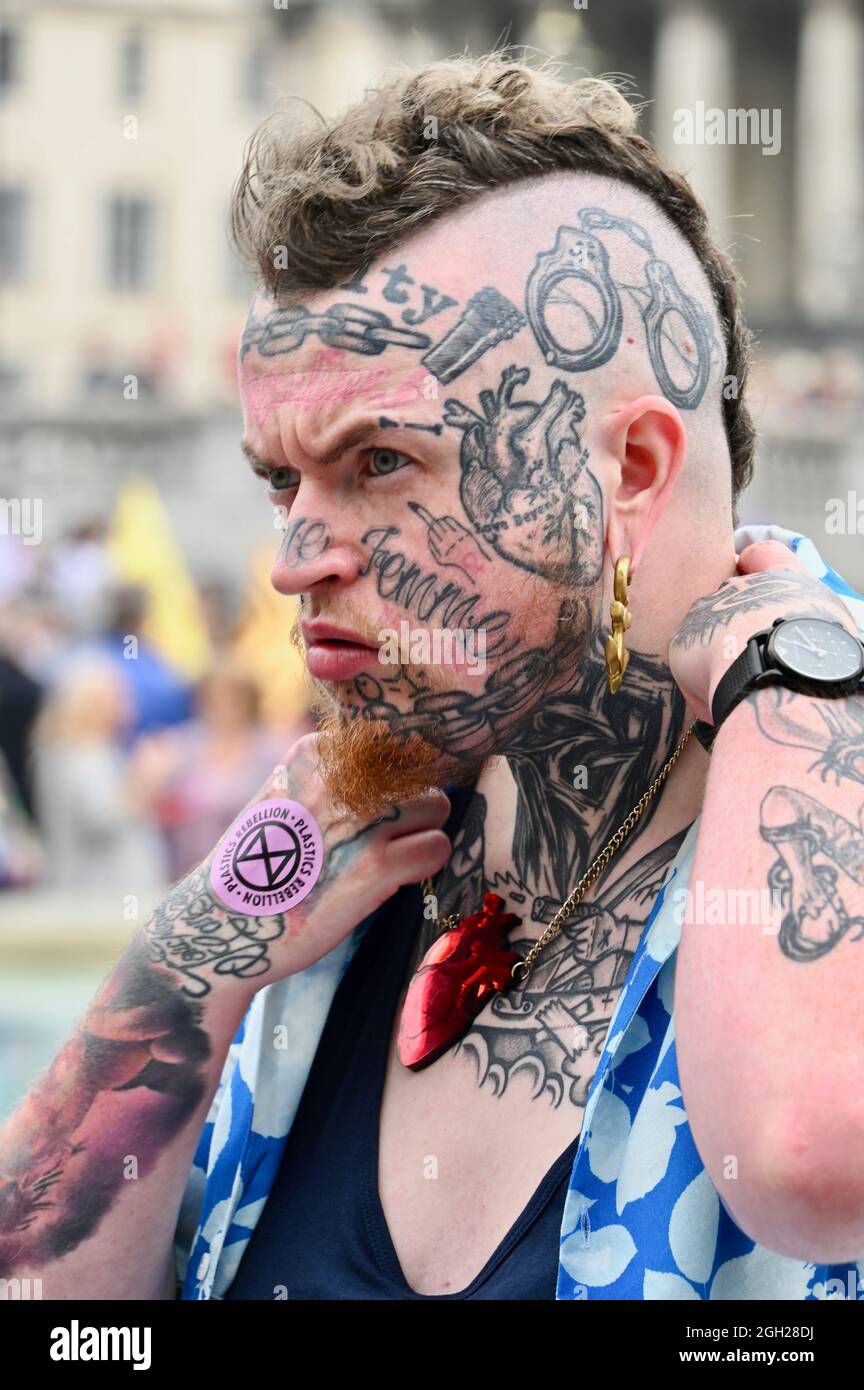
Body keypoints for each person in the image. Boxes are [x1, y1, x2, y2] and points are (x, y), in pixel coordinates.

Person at [2, 53, 864, 1303]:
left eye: (383, 462)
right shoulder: (341, 854)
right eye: (279, 484)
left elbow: (807, 1163)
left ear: (628, 473)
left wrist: (805, 678)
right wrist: (199, 954)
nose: (295, 560)